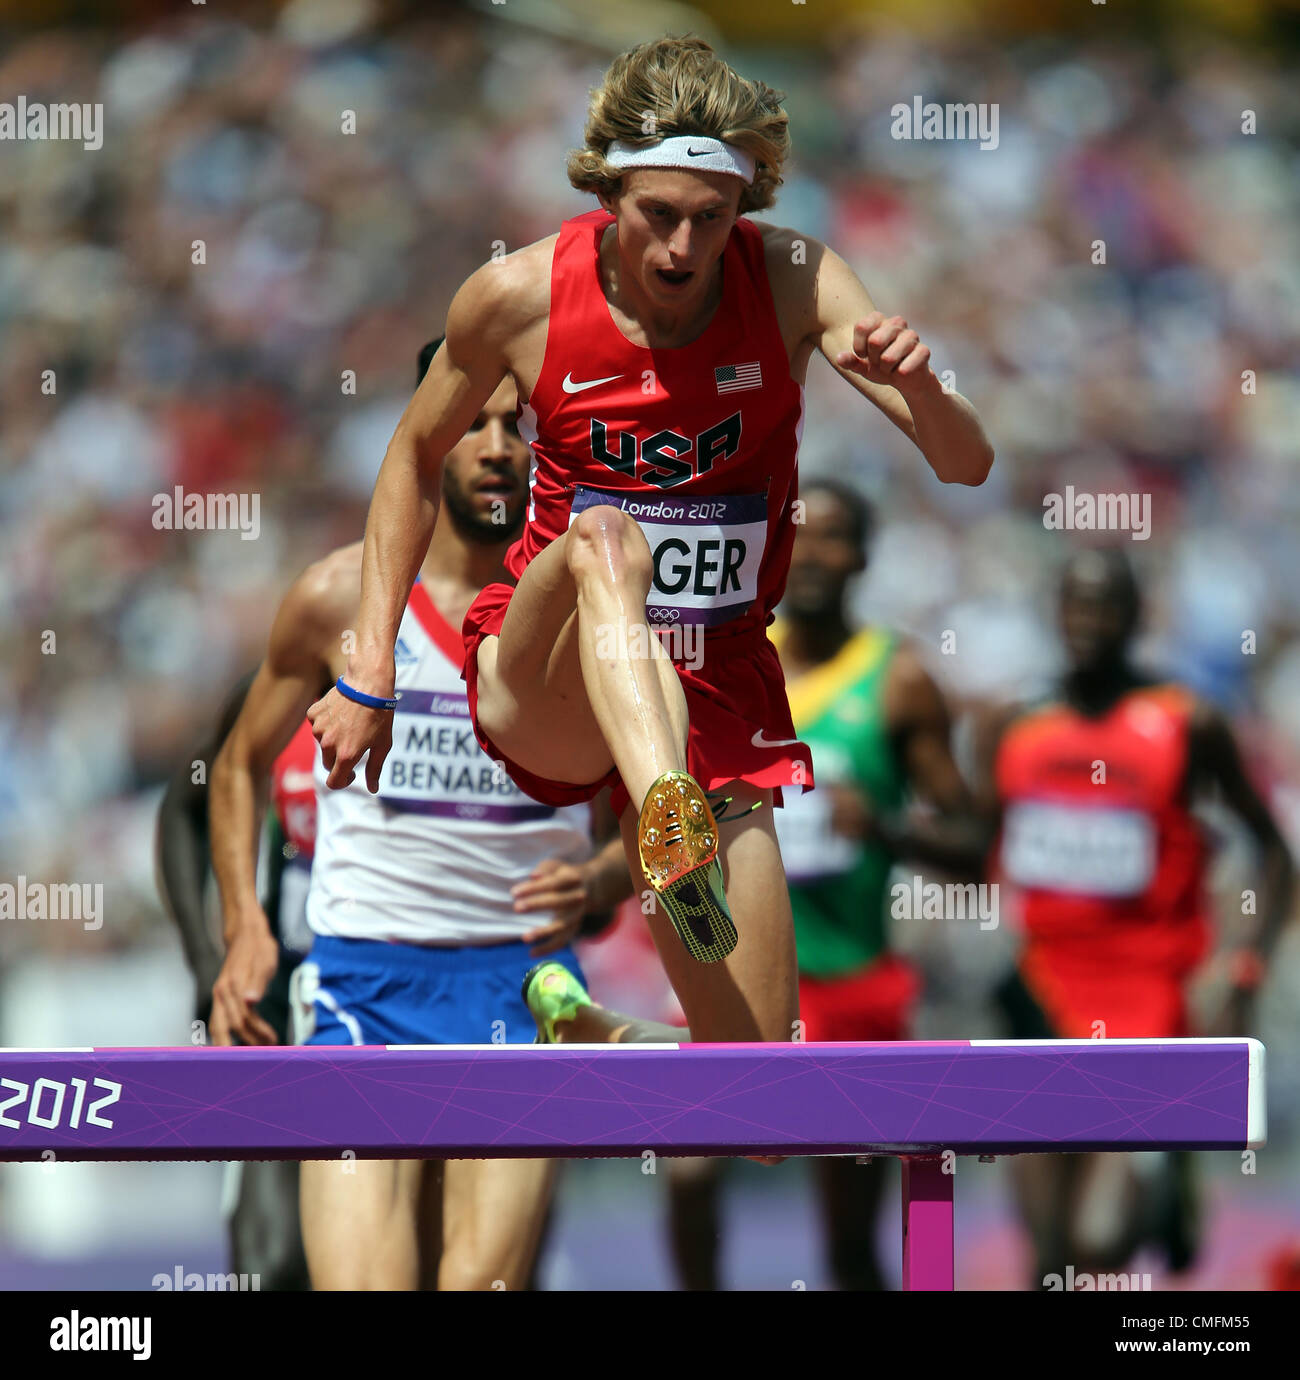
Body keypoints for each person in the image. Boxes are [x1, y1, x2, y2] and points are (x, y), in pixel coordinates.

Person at [308, 35, 994, 1053]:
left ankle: (608, 1031)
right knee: (604, 535)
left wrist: (927, 386)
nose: (680, 250)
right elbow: (410, 458)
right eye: (656, 216)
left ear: (746, 200)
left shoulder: (796, 277)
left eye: (709, 221)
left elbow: (965, 464)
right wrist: (369, 673)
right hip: (544, 674)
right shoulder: (518, 297)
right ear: (608, 187)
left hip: (711, 677)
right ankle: (663, 804)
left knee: (759, 1084)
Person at [208, 339, 632, 1290]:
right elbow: (233, 766)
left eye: (519, 426)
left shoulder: (592, 610)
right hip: (365, 980)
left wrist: (602, 879)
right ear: (427, 437)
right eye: (473, 424)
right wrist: (245, 926)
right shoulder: (336, 599)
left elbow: (661, 812)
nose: (497, 448)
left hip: (527, 989)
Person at [661, 479, 984, 1289]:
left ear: (865, 557)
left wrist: (880, 824)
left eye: (834, 537)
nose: (810, 554)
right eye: (796, 535)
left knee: (847, 1245)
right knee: (691, 1176)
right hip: (730, 975)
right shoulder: (722, 669)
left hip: (854, 989)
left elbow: (975, 844)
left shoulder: (900, 680)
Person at [975, 547, 1294, 1286]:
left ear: (1134, 618)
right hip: (1041, 1000)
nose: (1088, 622)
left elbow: (1276, 854)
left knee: (1103, 1240)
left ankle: (1168, 1179)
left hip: (1149, 1003)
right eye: (1075, 605)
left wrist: (1245, 969)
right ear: (1055, 614)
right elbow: (974, 847)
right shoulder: (1017, 724)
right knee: (1048, 1259)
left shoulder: (1186, 723)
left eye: (1105, 606)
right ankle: (1163, 1172)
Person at [155, 678, 313, 1292]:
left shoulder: (452, 684)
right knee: (270, 1267)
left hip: (398, 1015)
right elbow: (182, 807)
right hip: (273, 1014)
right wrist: (204, 958)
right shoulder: (284, 683)